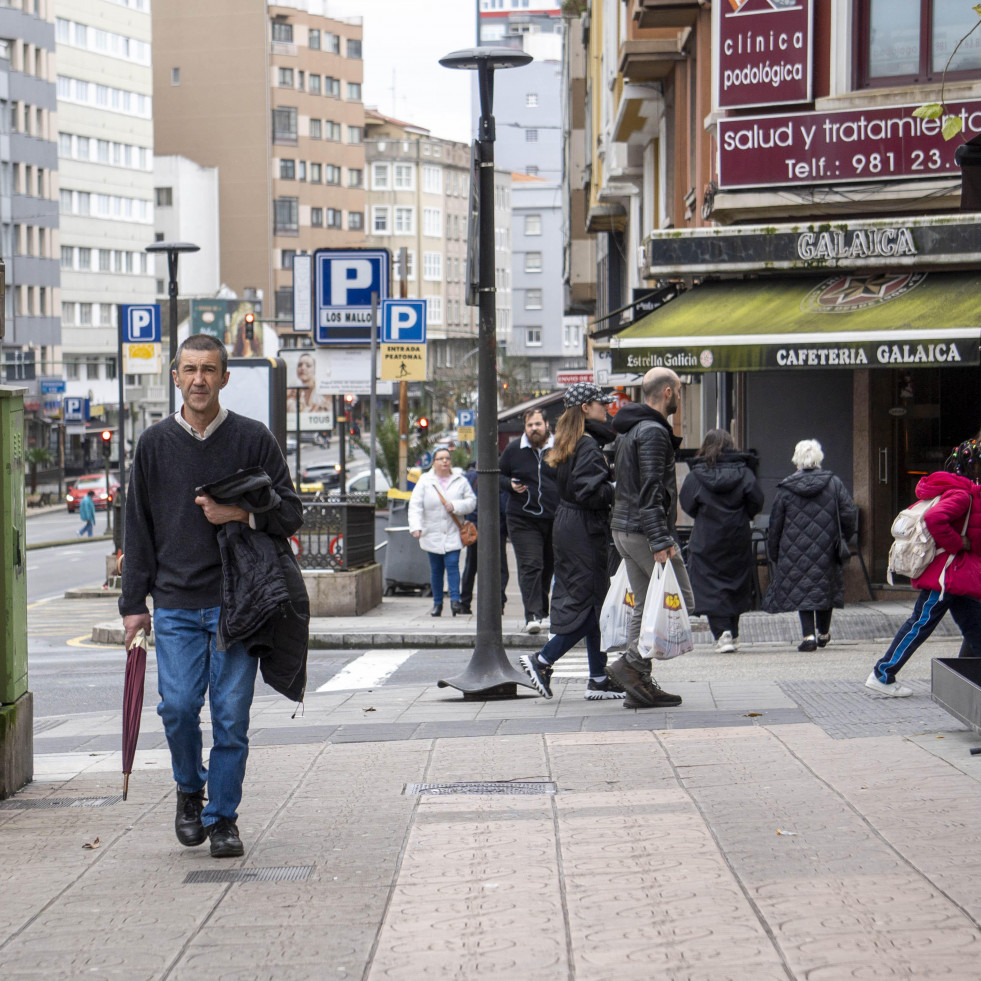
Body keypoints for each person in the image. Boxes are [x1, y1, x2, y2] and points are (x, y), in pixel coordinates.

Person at [119, 334, 303, 859]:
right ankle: (187, 788)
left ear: (225, 378)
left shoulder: (253, 439)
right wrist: (134, 606)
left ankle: (223, 819)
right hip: (174, 602)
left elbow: (291, 513)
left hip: (238, 604)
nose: (199, 379)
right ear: (175, 376)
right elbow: (138, 529)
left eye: (209, 370)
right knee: (177, 708)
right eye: (189, 369)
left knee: (230, 716)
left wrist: (241, 515)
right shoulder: (154, 444)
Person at [519, 383, 625, 701]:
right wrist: (616, 487)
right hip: (583, 529)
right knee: (590, 605)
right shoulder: (589, 445)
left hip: (568, 525)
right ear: (585, 409)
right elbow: (588, 491)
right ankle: (542, 661)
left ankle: (598, 677)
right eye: (600, 404)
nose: (606, 408)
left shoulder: (568, 441)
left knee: (592, 602)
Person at [866, 435, 981, 697]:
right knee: (920, 624)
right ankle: (882, 673)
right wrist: (957, 544)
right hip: (945, 576)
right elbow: (934, 519)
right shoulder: (963, 495)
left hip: (956, 577)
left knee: (976, 626)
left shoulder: (957, 490)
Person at [606, 367, 689, 708]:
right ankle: (632, 665)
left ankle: (638, 687)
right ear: (668, 392)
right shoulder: (653, 431)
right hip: (645, 531)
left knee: (646, 605)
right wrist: (660, 540)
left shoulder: (631, 430)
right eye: (680, 391)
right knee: (680, 599)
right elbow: (651, 489)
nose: (681, 397)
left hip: (625, 528)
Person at [763, 439, 857, 651]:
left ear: (797, 460)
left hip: (794, 550)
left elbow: (775, 523)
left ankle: (808, 637)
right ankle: (823, 633)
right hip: (827, 546)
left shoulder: (786, 487)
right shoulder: (834, 483)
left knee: (803, 589)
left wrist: (774, 550)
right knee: (825, 587)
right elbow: (849, 512)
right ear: (818, 458)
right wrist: (844, 537)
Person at [679, 430, 764, 653]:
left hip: (707, 536)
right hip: (737, 535)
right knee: (735, 581)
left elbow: (687, 504)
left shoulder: (697, 475)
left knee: (709, 584)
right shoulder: (744, 473)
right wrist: (743, 515)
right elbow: (757, 500)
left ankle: (722, 633)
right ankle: (732, 632)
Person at [499, 409, 558, 633]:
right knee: (530, 565)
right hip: (522, 517)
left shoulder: (559, 447)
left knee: (547, 567)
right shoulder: (514, 449)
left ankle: (542, 610)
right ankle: (532, 615)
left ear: (546, 424)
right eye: (530, 425)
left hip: (553, 517)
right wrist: (510, 485)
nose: (534, 429)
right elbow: (498, 474)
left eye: (537, 424)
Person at [408, 448, 476, 617]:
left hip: (453, 532)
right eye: (440, 459)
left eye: (447, 458)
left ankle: (454, 601)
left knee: (453, 565)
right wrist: (416, 527)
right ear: (434, 462)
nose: (444, 461)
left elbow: (471, 502)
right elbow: (415, 505)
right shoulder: (425, 481)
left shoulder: (460, 480)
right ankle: (437, 603)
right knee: (436, 569)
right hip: (432, 533)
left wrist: (456, 506)